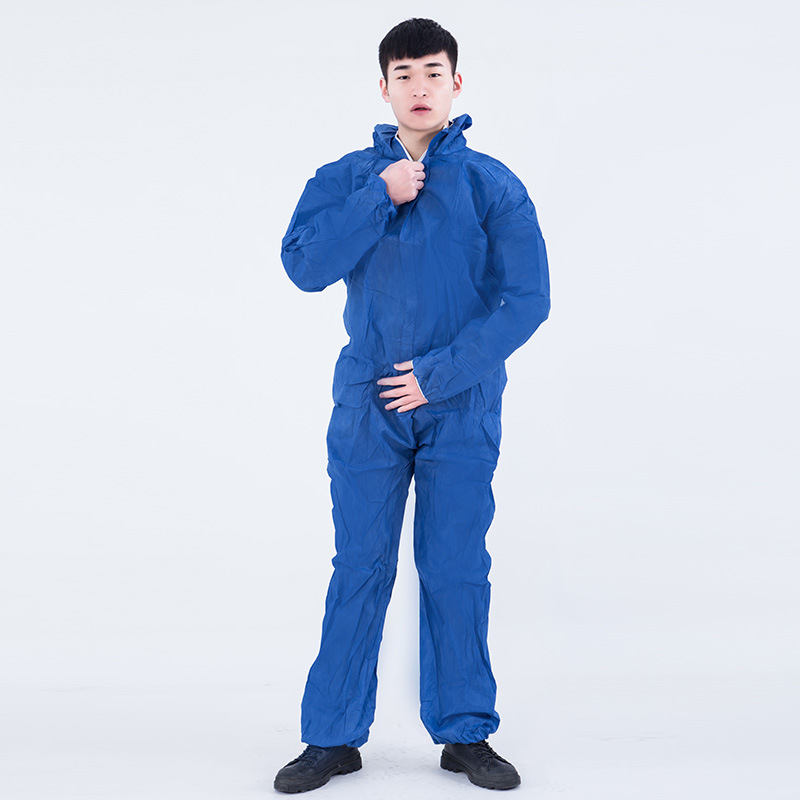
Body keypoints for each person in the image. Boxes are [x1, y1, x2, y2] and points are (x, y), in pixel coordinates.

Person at [274, 17, 550, 794]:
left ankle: (465, 733)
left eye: (433, 73)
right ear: (384, 86)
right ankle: (331, 737)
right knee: (360, 564)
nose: (420, 87)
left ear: (456, 83)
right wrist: (378, 196)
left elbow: (528, 300)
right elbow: (302, 266)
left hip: (459, 406)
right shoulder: (347, 177)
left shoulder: (492, 184)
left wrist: (442, 373)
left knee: (455, 566)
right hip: (368, 406)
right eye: (405, 74)